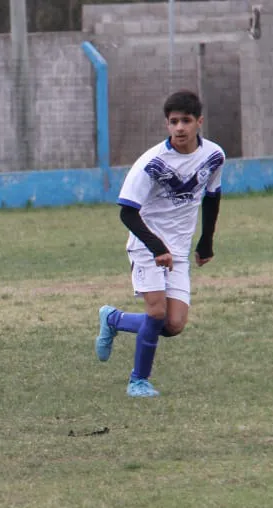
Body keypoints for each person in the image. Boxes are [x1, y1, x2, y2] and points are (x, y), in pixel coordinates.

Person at [94, 90, 224, 398]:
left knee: (173, 324)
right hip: (147, 246)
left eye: (186, 121)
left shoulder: (214, 155)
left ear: (199, 122)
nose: (179, 128)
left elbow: (212, 197)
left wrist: (206, 242)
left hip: (177, 249)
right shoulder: (151, 163)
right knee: (155, 313)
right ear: (166, 124)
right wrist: (157, 248)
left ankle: (113, 319)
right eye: (173, 122)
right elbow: (128, 212)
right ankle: (138, 381)